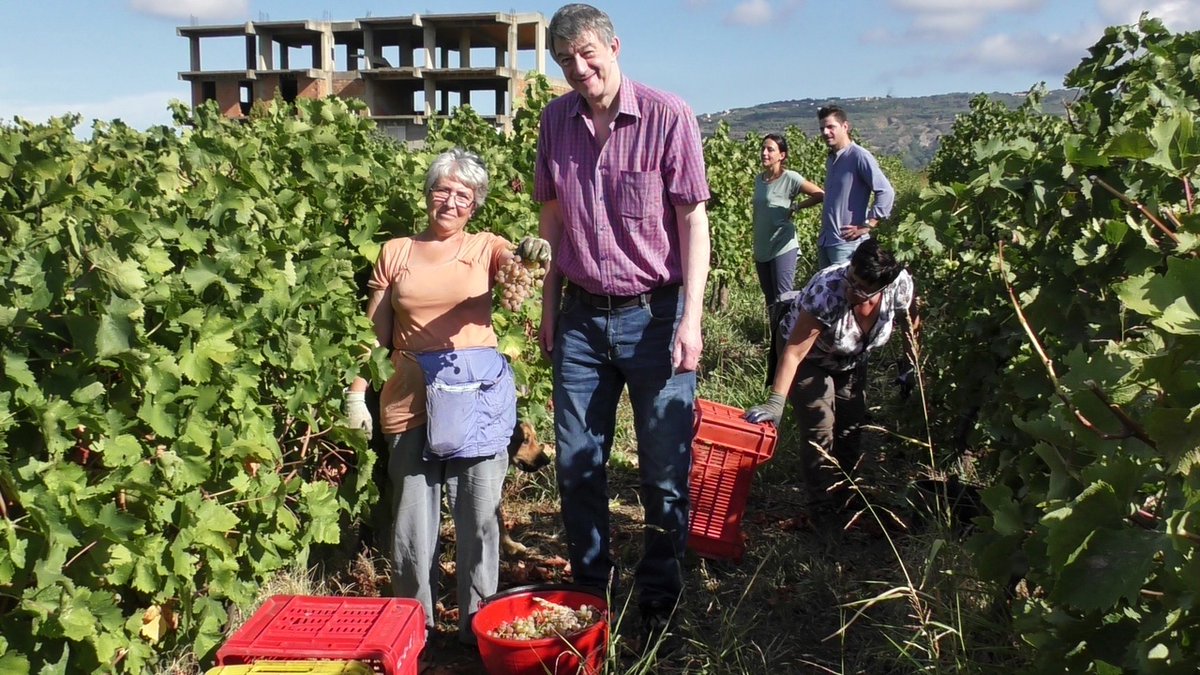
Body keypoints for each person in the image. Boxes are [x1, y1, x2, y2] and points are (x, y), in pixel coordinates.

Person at [533, 2, 711, 646]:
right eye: (564, 62)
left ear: (614, 46)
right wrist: (548, 307)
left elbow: (693, 222)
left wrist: (691, 319)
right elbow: (552, 220)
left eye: (587, 55)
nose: (579, 70)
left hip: (656, 316)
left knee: (664, 469)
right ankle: (591, 594)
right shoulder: (554, 123)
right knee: (579, 463)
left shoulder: (669, 116)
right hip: (581, 319)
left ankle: (662, 599)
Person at [344, 148, 549, 645]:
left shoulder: (484, 247)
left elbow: (513, 265)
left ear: (474, 204)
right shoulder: (395, 251)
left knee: (479, 518)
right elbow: (373, 332)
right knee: (412, 526)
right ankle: (416, 631)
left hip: (474, 403)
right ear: (428, 193)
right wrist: (357, 392)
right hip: (409, 400)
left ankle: (479, 632)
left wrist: (527, 252)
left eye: (463, 194)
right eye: (443, 190)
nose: (451, 201)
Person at [744, 239, 916, 508]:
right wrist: (776, 403)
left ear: (882, 287)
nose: (853, 289)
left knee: (850, 427)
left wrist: (910, 362)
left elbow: (909, 318)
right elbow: (794, 352)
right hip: (808, 357)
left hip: (851, 359)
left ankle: (845, 496)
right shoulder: (828, 288)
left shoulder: (899, 285)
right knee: (820, 428)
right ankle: (821, 509)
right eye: (852, 278)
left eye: (863, 288)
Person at [815, 105, 895, 269]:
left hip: (846, 244)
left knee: (848, 291)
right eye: (822, 128)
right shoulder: (832, 159)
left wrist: (868, 224)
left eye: (831, 127)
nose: (825, 132)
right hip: (827, 241)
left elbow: (886, 192)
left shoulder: (859, 156)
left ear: (845, 126)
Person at [752, 133, 824, 309]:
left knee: (783, 298)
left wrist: (796, 207)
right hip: (762, 247)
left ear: (781, 155)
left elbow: (820, 194)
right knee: (770, 301)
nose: (764, 153)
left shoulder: (790, 177)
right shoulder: (759, 180)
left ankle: (788, 335)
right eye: (763, 148)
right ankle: (775, 337)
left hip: (783, 245)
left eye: (770, 149)